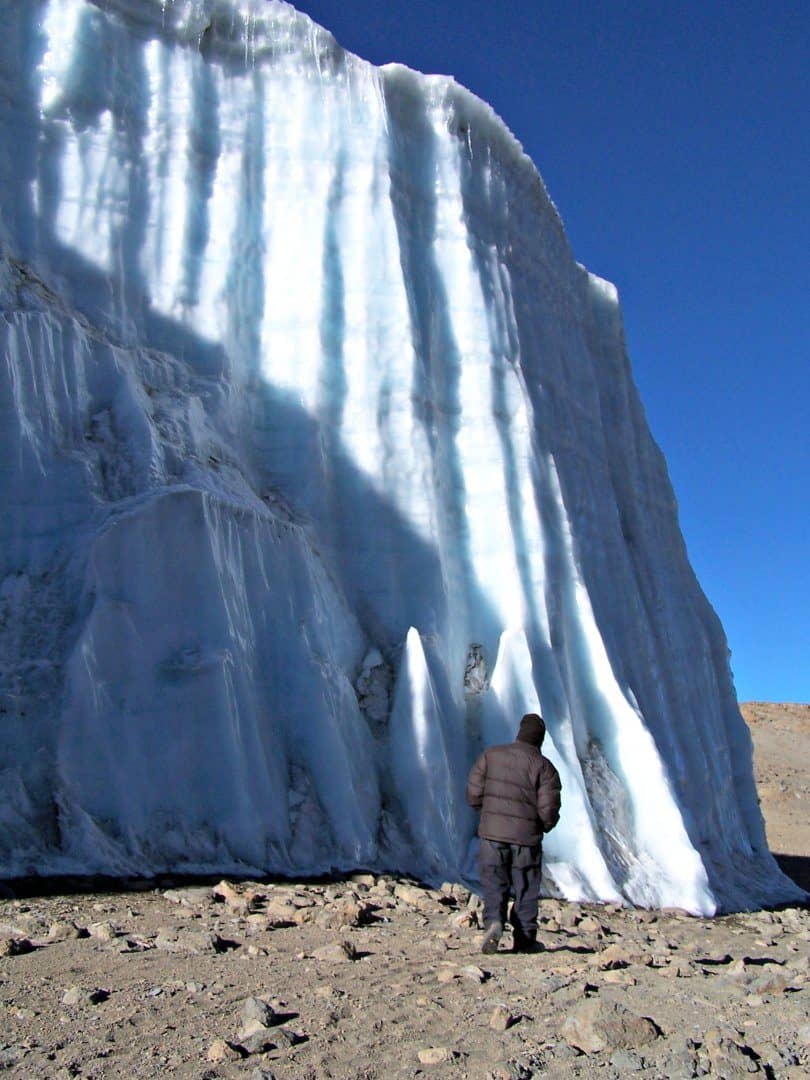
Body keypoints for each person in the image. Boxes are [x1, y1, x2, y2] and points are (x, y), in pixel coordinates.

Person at [466, 713, 562, 954]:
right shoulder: (544, 767)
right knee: (526, 888)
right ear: (539, 739)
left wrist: (488, 815)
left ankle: (494, 922)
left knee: (494, 882)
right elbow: (549, 808)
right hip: (526, 840)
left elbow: (473, 793)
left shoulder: (492, 755)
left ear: (519, 732)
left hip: (492, 835)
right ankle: (525, 938)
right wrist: (541, 826)